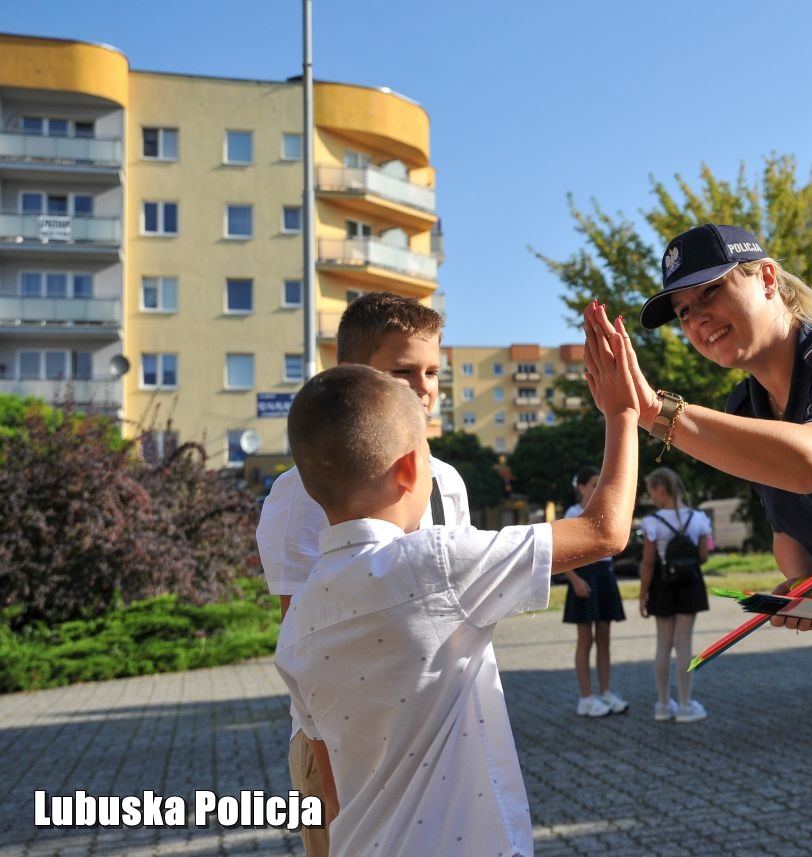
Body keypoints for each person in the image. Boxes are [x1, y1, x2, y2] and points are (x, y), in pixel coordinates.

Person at [584, 222, 812, 852]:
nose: (698, 319)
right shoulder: (746, 407)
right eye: (683, 312)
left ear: (770, 278)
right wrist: (804, 588)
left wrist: (654, 412)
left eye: (711, 293)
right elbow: (790, 529)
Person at [274, 305, 640, 856]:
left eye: (432, 372)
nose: (424, 387)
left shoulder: (297, 630)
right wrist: (624, 412)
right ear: (407, 470)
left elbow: (333, 781)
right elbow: (605, 531)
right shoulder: (436, 562)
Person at [256, 293, 471, 857]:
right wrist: (332, 785)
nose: (423, 388)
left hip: (436, 732)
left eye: (432, 372)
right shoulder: (299, 493)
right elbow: (303, 643)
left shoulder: (447, 482)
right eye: (402, 372)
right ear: (350, 372)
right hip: (342, 739)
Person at [639, 466, 712, 723]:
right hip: (690, 583)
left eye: (651, 491)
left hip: (662, 584)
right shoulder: (699, 518)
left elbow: (648, 562)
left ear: (661, 490)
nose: (651, 497)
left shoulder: (652, 522)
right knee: (684, 646)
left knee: (663, 644)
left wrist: (643, 594)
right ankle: (684, 705)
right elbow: (703, 556)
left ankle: (662, 705)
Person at [561, 464, 629, 717]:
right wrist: (575, 580)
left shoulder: (607, 511)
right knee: (585, 639)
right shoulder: (572, 513)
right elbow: (562, 554)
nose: (598, 489)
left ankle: (605, 692)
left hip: (604, 575)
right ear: (581, 488)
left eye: (601, 484)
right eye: (593, 485)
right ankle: (586, 698)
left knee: (604, 637)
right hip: (583, 577)